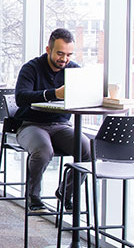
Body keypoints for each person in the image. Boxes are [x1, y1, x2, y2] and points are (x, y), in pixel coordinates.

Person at [14, 28, 91, 211]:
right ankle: (33, 197)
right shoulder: (31, 68)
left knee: (87, 149)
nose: (64, 59)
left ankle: (66, 192)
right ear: (48, 49)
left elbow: (84, 96)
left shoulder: (74, 71)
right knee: (43, 151)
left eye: (68, 54)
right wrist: (53, 94)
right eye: (60, 53)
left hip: (61, 125)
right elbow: (21, 98)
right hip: (31, 125)